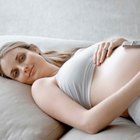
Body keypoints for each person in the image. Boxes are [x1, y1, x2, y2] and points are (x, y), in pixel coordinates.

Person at [0, 37, 140, 134]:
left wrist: (120, 42)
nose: (22, 68)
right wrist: (137, 82)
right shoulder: (42, 87)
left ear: (34, 49)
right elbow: (89, 123)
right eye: (15, 73)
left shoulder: (75, 54)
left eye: (22, 58)